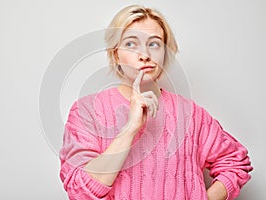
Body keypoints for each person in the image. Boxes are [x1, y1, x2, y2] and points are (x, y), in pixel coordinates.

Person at [59, 5, 253, 200]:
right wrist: (130, 130)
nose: (145, 55)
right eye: (131, 44)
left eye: (154, 44)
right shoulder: (87, 111)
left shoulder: (191, 114)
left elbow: (236, 162)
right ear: (116, 53)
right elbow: (79, 190)